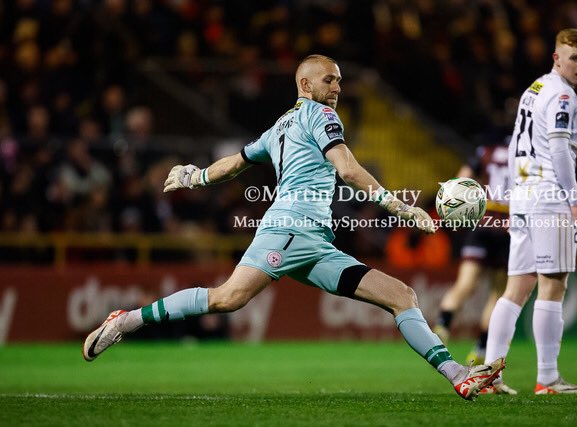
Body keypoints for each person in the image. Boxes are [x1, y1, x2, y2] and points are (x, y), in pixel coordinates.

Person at [82, 54, 504, 400]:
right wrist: (397, 205)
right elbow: (347, 167)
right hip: (289, 229)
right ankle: (126, 321)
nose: (337, 88)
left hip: (314, 241)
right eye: (329, 80)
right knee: (228, 298)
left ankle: (457, 375)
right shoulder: (320, 117)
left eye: (339, 81)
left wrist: (197, 176)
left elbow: (234, 164)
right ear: (306, 85)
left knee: (401, 295)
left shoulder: (281, 125)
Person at [483, 29, 577, 395]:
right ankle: (547, 378)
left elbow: (517, 140)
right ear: (556, 57)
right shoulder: (563, 96)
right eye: (574, 57)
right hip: (549, 196)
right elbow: (560, 150)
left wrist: (516, 192)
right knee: (553, 285)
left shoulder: (536, 88)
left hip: (524, 195)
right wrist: (574, 199)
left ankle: (489, 375)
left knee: (516, 288)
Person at [433, 140, 511, 385]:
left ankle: (442, 325)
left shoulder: (484, 150)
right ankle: (480, 349)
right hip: (508, 226)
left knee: (465, 284)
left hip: (482, 220)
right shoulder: (526, 152)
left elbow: (459, 182)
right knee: (497, 293)